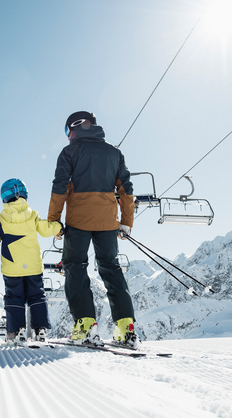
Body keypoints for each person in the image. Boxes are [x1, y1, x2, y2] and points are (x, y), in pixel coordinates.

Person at [48, 111, 138, 348]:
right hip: (108, 221)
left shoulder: (69, 152)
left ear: (73, 129)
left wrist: (54, 221)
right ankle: (125, 327)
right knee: (111, 267)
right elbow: (126, 189)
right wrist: (126, 221)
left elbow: (60, 187)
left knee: (75, 266)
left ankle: (85, 326)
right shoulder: (114, 153)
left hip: (78, 221)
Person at [0, 178, 63, 345]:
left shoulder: (1, 218)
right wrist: (58, 227)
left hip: (12, 267)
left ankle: (15, 331)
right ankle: (40, 330)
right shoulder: (32, 214)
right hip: (33, 266)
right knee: (37, 296)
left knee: (14, 297)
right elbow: (45, 229)